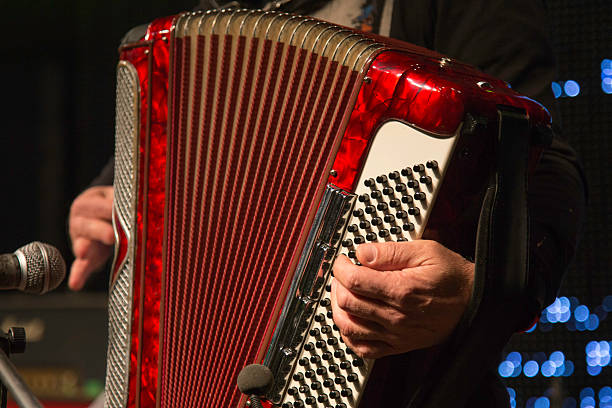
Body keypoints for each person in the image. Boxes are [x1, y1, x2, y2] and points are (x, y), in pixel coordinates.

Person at [68, 0, 586, 406]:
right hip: (204, 375)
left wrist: (480, 288)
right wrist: (121, 191)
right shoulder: (229, 4)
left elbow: (541, 160)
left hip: (409, 384)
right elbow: (200, 117)